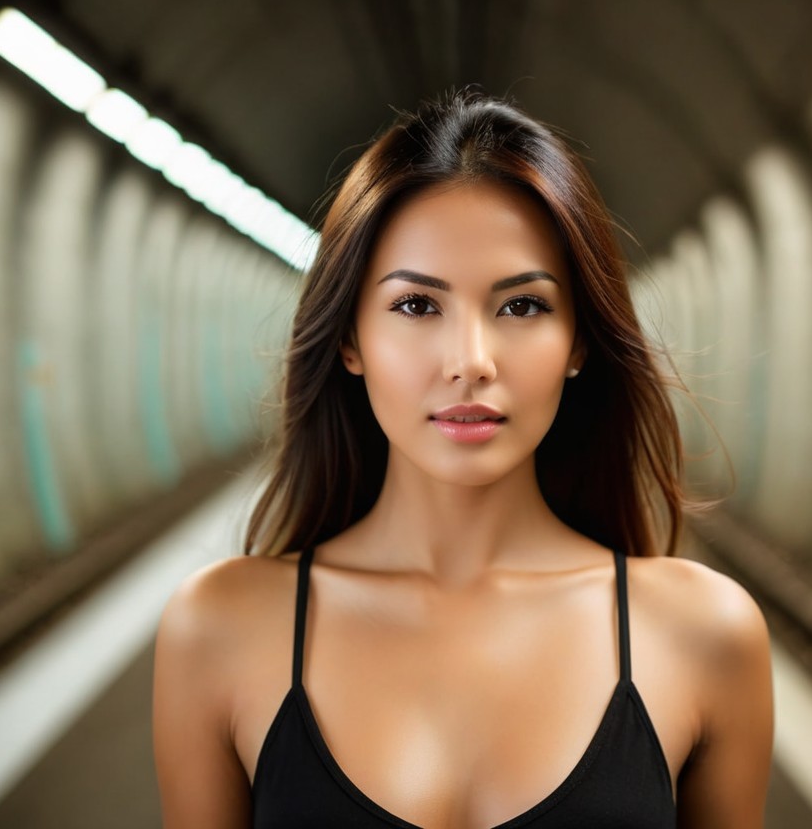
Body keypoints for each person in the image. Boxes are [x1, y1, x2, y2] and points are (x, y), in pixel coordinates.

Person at [153, 90, 773, 828]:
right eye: (417, 305)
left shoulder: (704, 633)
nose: (470, 361)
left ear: (578, 342)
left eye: (522, 306)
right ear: (350, 339)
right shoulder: (219, 629)